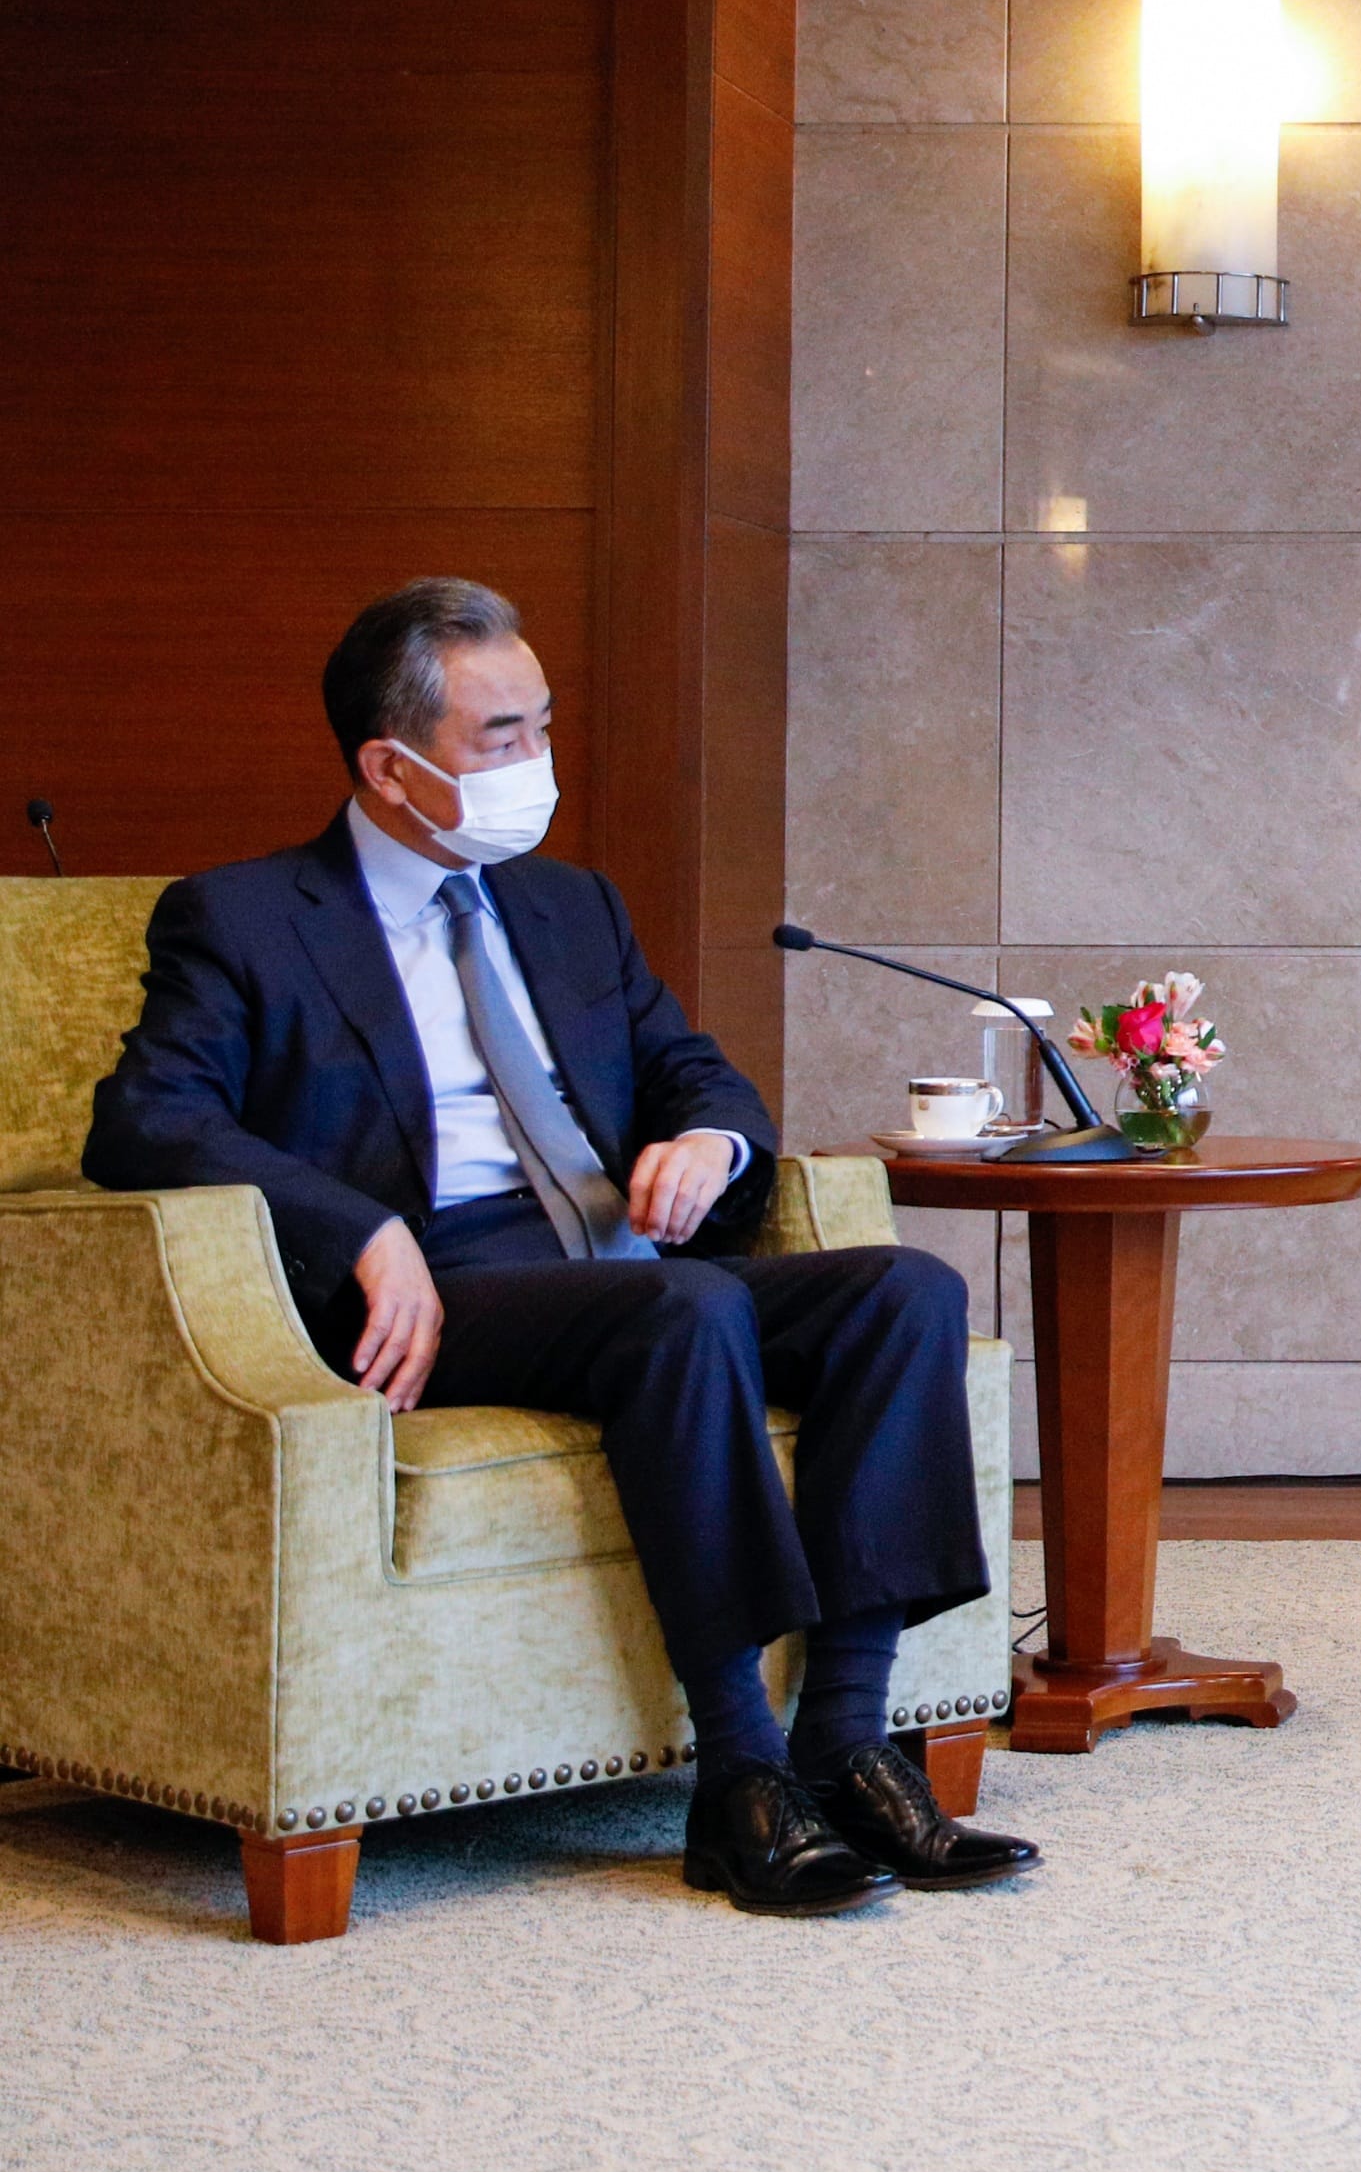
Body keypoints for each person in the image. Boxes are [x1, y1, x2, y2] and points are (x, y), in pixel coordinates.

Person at [85, 578, 1039, 1916]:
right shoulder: (244, 917)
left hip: (622, 1261)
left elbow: (697, 1073)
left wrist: (711, 1143)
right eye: (499, 735)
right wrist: (359, 1230)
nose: (534, 761)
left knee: (903, 1290)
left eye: (541, 725)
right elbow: (143, 1121)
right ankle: (739, 1778)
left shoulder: (569, 906)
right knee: (688, 1315)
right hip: (447, 1282)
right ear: (389, 763)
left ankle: (845, 1738)